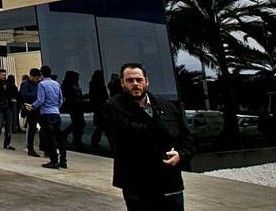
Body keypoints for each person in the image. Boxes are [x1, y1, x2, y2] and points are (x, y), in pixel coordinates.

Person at [102, 63, 195, 210]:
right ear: (122, 83)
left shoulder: (168, 107)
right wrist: (164, 134)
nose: (135, 84)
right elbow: (129, 137)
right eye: (130, 80)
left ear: (147, 81)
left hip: (170, 183)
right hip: (138, 185)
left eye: (139, 80)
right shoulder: (113, 107)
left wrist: (180, 155)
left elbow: (187, 139)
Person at [26, 65, 65, 169]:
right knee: (60, 138)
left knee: (50, 138)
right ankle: (63, 160)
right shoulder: (56, 84)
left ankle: (54, 161)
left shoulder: (42, 84)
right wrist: (56, 108)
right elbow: (61, 100)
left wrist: (32, 107)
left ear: (42, 74)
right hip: (56, 113)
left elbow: (40, 100)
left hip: (46, 113)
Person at [61, 71, 86, 151]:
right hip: (73, 107)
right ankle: (74, 139)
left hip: (79, 106)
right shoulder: (67, 85)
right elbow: (67, 96)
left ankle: (74, 139)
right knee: (77, 123)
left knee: (79, 124)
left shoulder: (75, 84)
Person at [20, 69, 40, 156]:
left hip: (38, 108)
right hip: (30, 108)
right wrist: (37, 93)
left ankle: (43, 146)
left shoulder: (38, 84)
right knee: (31, 129)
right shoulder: (25, 84)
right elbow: (25, 96)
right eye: (36, 78)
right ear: (31, 76)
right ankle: (30, 148)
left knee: (39, 128)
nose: (37, 80)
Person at [89, 70, 109, 149]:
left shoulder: (93, 84)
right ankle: (95, 142)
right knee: (104, 126)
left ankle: (94, 142)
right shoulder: (99, 85)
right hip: (101, 108)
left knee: (101, 127)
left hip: (98, 108)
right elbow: (104, 96)